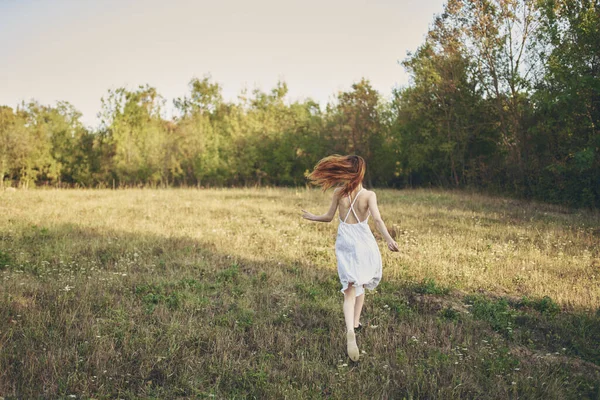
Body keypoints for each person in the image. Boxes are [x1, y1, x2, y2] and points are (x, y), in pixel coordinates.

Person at [301, 154, 399, 362]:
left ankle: (351, 327)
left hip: (345, 240)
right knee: (361, 282)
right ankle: (354, 324)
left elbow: (328, 218)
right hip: (363, 241)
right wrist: (389, 240)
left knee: (350, 289)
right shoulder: (369, 195)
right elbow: (378, 221)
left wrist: (313, 217)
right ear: (361, 172)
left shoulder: (338, 192)